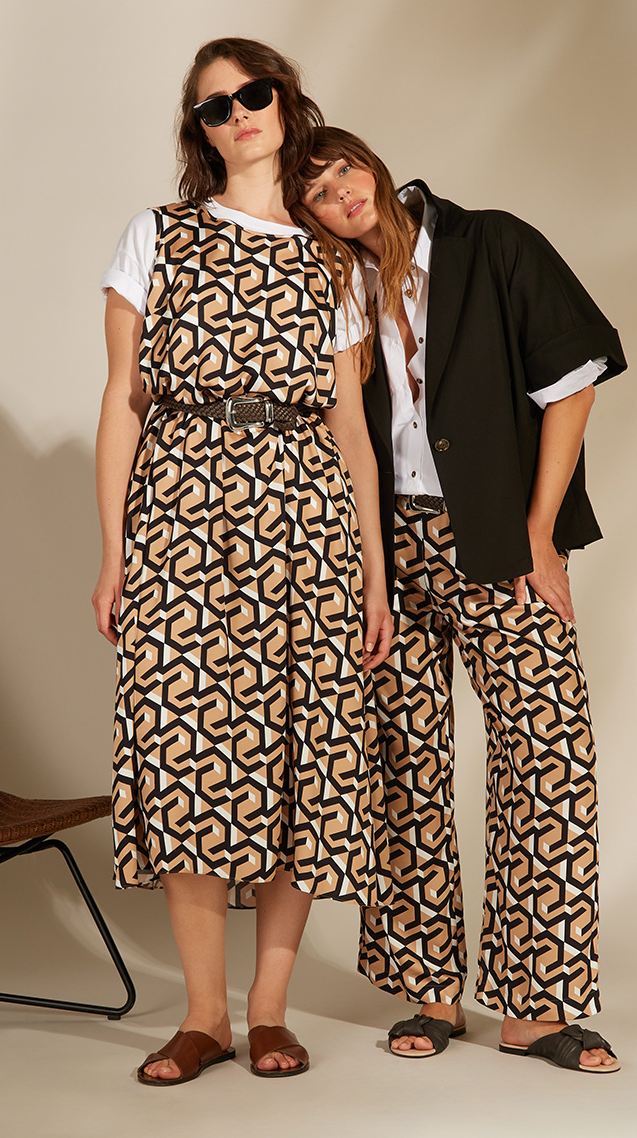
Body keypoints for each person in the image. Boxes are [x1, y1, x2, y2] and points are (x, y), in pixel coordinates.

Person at [292, 126, 627, 1074]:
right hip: (381, 547)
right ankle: (428, 991)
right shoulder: (333, 287)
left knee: (547, 757)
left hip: (496, 538)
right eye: (315, 191)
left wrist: (538, 530)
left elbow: (572, 387)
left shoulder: (492, 243)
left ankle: (538, 1007)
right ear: (311, 216)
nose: (340, 191)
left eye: (343, 168)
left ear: (372, 165)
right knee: (404, 761)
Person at [92, 48, 393, 1086]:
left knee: (301, 762)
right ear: (202, 130)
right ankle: (202, 1016)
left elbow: (352, 431)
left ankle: (268, 1012)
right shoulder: (158, 234)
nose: (237, 115)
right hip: (180, 516)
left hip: (306, 523)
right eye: (214, 107)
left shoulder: (332, 262)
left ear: (285, 103)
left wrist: (374, 578)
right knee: (187, 755)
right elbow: (121, 399)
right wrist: (113, 552)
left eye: (252, 95)